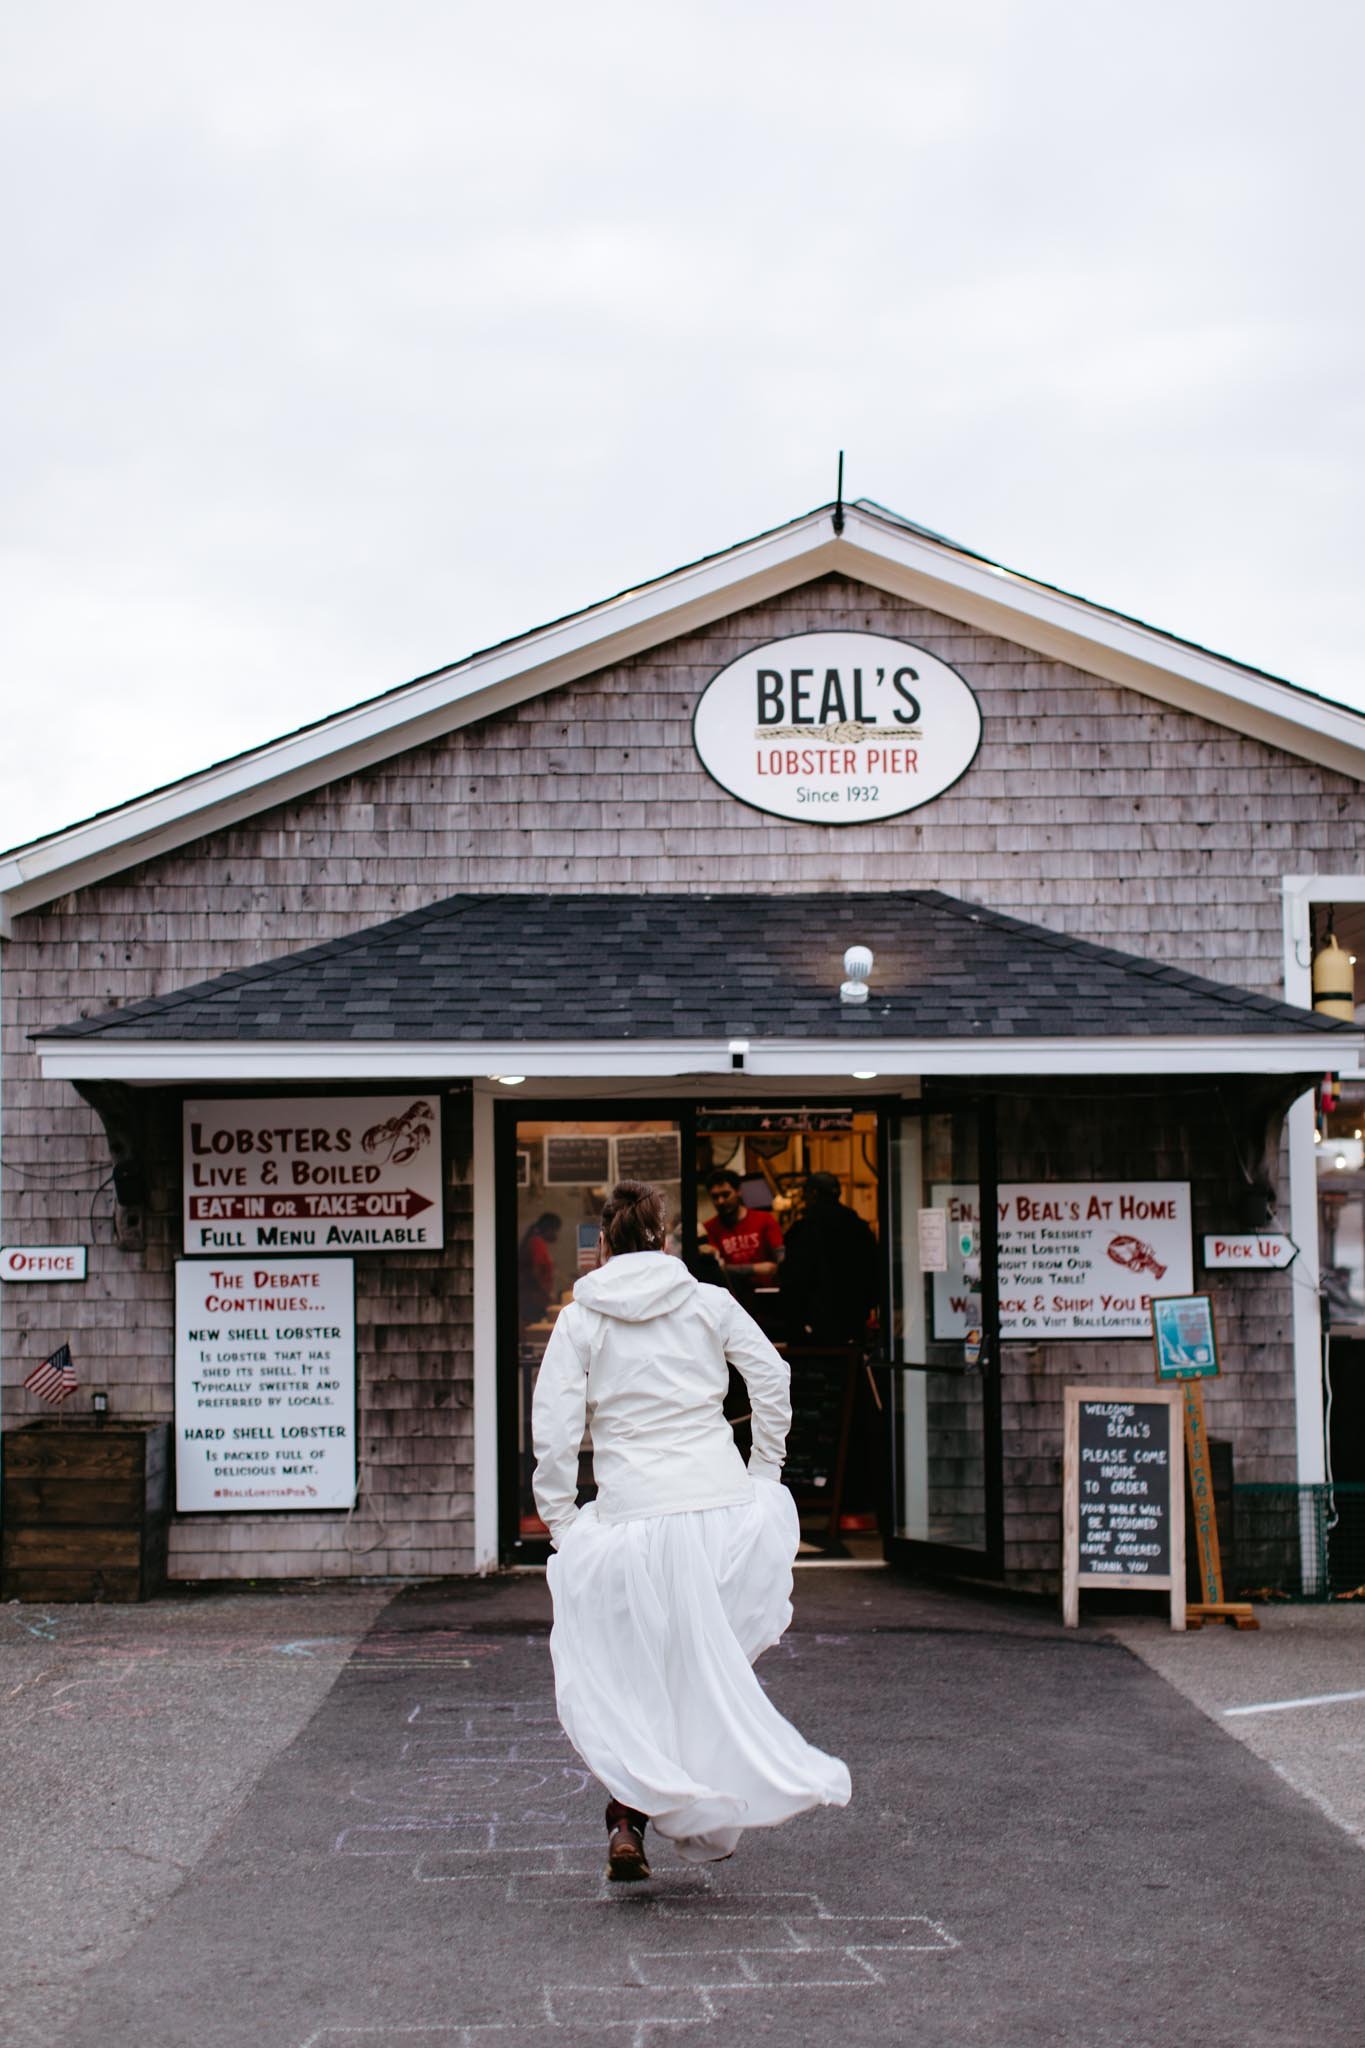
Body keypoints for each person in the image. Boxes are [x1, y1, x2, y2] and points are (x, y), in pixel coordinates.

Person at [532, 1179, 850, 1882]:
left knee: (627, 1672)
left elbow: (553, 1428)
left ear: (604, 1245)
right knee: (692, 1669)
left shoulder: (581, 1319)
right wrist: (762, 1470)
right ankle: (670, 1806)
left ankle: (629, 1813)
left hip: (630, 1521)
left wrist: (559, 1518)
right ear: (667, 1239)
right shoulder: (707, 1302)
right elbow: (770, 1377)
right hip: (716, 1512)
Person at [780, 1171, 880, 1346]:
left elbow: (795, 1279)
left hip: (815, 1323)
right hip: (853, 1320)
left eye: (805, 1194)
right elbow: (873, 1272)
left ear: (813, 1194)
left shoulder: (804, 1230)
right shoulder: (860, 1228)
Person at [699, 1169, 784, 1286]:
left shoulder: (765, 1219)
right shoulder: (708, 1228)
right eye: (715, 1197)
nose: (721, 1201)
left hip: (766, 1292)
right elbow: (717, 1269)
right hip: (730, 1295)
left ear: (738, 1191)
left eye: (725, 1194)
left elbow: (781, 1257)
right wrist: (755, 1268)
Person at [517, 1212, 562, 1329]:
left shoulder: (535, 1242)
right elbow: (535, 1271)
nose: (556, 1235)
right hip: (534, 1299)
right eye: (556, 1230)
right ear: (549, 1229)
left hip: (536, 1297)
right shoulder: (536, 1243)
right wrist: (546, 1293)